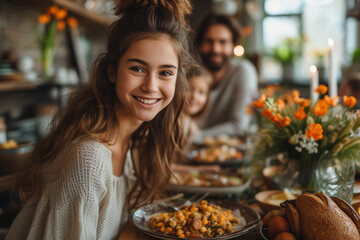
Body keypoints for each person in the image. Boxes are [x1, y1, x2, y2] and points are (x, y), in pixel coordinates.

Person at [5, 0, 195, 239]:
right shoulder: (89, 161)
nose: (151, 86)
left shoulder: (133, 139)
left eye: (165, 73)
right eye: (137, 69)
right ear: (112, 71)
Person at [194, 13, 258, 141]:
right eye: (209, 41)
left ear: (233, 45)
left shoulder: (243, 71)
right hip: (193, 153)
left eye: (223, 42)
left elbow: (240, 127)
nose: (216, 49)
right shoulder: (191, 75)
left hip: (235, 153)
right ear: (200, 44)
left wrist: (195, 137)